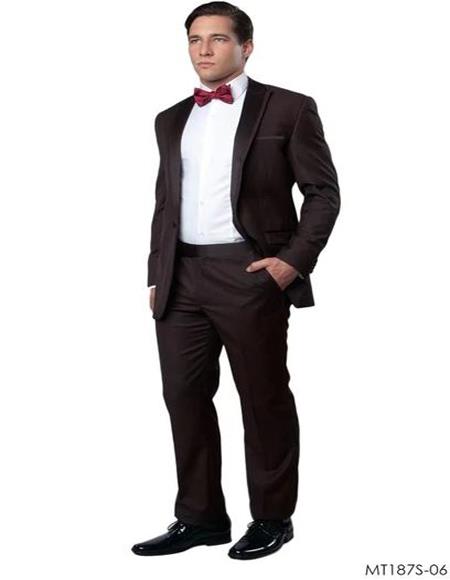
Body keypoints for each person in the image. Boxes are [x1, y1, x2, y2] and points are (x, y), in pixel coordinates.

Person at [132, 1, 340, 560]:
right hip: (180, 277)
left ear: (246, 47)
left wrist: (292, 262)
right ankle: (199, 518)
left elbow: (323, 194)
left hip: (250, 273)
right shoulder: (170, 118)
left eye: (218, 39)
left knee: (263, 397)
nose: (204, 50)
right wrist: (157, 272)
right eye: (194, 39)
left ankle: (272, 518)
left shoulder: (288, 108)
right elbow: (165, 203)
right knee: (183, 397)